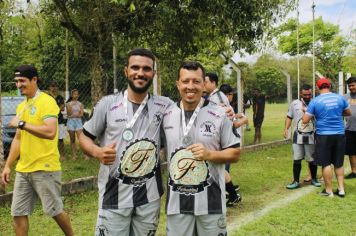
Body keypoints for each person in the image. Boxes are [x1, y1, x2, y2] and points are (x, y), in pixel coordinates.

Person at [78, 48, 173, 235]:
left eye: (146, 69)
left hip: (150, 197)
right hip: (114, 195)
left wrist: (221, 110)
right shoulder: (107, 104)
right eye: (135, 67)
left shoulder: (165, 106)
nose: (140, 73)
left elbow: (191, 110)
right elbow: (84, 136)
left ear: (153, 73)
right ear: (126, 71)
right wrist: (97, 152)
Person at [163, 61, 241, 236]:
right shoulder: (166, 115)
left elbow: (235, 153)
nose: (190, 86)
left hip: (211, 202)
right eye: (186, 81)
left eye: (196, 81)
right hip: (177, 204)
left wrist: (209, 154)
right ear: (178, 84)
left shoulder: (220, 114)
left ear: (204, 84)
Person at [0, 65, 74, 235]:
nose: (18, 85)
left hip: (45, 167)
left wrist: (21, 123)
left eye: (22, 81)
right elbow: (18, 139)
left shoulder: (47, 102)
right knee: (18, 213)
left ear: (34, 80)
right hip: (23, 169)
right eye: (16, 81)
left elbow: (50, 132)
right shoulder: (22, 106)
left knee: (55, 211)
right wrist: (8, 165)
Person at [302, 78, 351, 197]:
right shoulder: (340, 98)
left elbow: (305, 120)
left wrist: (307, 112)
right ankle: (341, 189)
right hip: (339, 134)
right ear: (329, 86)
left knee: (326, 163)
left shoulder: (315, 101)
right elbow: (348, 113)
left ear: (318, 88)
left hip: (323, 135)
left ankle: (328, 190)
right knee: (338, 163)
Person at [205, 75, 241, 207]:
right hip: (214, 134)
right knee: (217, 166)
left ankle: (230, 194)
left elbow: (225, 115)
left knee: (218, 167)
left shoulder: (218, 97)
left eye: (206, 81)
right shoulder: (212, 96)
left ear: (213, 82)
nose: (203, 84)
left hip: (220, 136)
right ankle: (231, 194)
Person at [283, 84, 321, 189]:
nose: (307, 96)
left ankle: (314, 179)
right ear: (301, 93)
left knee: (311, 159)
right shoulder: (294, 104)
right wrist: (286, 128)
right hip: (297, 136)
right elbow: (289, 117)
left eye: (309, 94)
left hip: (312, 136)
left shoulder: (316, 103)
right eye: (305, 94)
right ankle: (295, 181)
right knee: (297, 158)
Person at [66, 89, 84, 160]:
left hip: (78, 122)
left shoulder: (80, 104)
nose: (76, 95)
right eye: (74, 94)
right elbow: (69, 114)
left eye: (77, 94)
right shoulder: (68, 104)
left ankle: (85, 154)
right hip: (70, 122)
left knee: (81, 139)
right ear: (72, 95)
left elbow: (81, 114)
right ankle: (74, 155)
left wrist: (74, 115)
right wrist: (70, 107)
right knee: (72, 139)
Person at [344, 76, 356, 179]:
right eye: (349, 86)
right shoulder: (345, 97)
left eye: (353, 85)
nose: (351, 87)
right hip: (349, 129)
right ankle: (354, 172)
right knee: (351, 151)